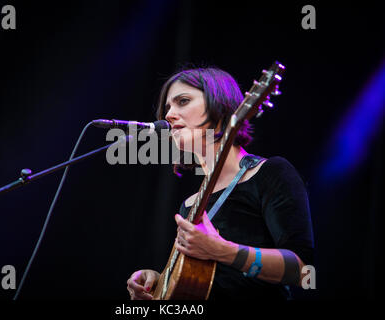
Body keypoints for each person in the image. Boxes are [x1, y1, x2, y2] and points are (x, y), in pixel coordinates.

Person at [126, 66, 315, 300]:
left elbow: (304, 271)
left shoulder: (270, 173)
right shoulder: (190, 205)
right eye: (167, 107)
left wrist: (222, 250)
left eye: (183, 101)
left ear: (220, 106)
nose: (169, 115)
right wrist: (157, 281)